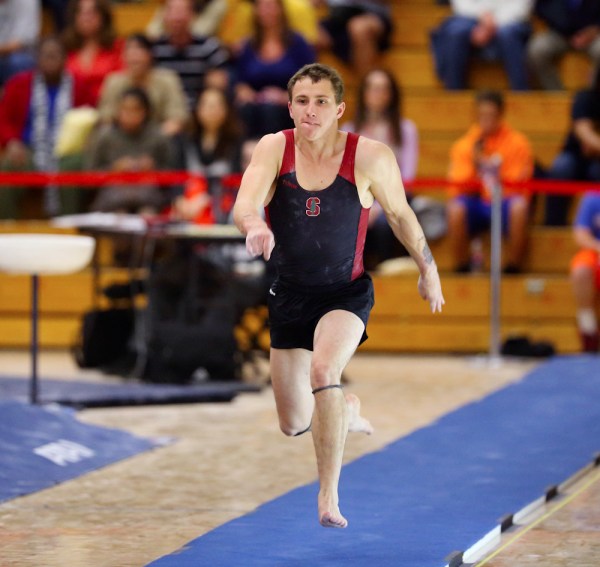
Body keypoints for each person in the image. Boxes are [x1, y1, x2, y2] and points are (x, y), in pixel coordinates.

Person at [232, 63, 444, 528]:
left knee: (325, 369)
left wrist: (428, 269)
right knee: (293, 423)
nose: (311, 111)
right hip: (288, 294)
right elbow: (244, 203)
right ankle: (345, 410)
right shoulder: (274, 148)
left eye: (321, 102)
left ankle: (328, 496)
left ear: (340, 109)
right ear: (289, 108)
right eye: (302, 102)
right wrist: (255, 225)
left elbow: (403, 216)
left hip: (344, 293)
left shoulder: (369, 156)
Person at [0, 36, 95, 219]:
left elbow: (92, 118)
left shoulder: (79, 86)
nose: (50, 60)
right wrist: (11, 141)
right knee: (9, 165)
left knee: (72, 167)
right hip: (29, 150)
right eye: (46, 56)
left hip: (67, 152)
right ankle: (7, 227)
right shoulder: (19, 84)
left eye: (55, 55)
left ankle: (69, 226)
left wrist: (86, 143)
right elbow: (3, 118)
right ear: (37, 59)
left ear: (65, 59)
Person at [446, 90, 534, 273]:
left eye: (491, 115)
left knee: (519, 207)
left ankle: (513, 267)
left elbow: (518, 183)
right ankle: (462, 266)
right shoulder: (464, 145)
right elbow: (457, 185)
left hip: (504, 201)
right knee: (455, 209)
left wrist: (492, 173)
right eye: (482, 115)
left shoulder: (518, 143)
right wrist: (475, 164)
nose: (486, 120)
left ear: (501, 115)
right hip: (475, 203)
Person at [343, 68, 420, 269]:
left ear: (392, 95)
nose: (378, 94)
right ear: (364, 93)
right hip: (357, 200)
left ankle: (387, 282)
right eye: (373, 88)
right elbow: (344, 178)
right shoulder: (348, 130)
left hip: (393, 200)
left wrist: (377, 208)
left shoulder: (406, 130)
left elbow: (408, 179)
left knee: (387, 225)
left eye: (384, 89)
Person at [234, 0, 316, 140]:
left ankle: (276, 155)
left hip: (288, 107)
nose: (268, 12)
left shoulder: (297, 43)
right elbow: (239, 81)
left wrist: (285, 97)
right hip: (255, 106)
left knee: (270, 111)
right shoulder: (249, 45)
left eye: (271, 7)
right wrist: (245, 92)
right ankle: (248, 155)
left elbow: (312, 81)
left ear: (281, 10)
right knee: (245, 110)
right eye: (263, 7)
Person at [86, 86, 174, 215]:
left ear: (145, 111)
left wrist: (153, 169)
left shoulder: (158, 137)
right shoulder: (105, 137)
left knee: (148, 215)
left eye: (135, 109)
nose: (130, 114)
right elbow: (88, 177)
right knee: (118, 218)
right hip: (112, 201)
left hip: (148, 200)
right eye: (125, 109)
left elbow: (173, 176)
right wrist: (114, 169)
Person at [173, 86, 243, 223]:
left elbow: (235, 180)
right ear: (197, 109)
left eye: (217, 106)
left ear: (226, 110)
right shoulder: (185, 140)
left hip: (223, 206)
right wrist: (179, 200)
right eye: (207, 105)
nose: (212, 111)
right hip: (188, 203)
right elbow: (176, 175)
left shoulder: (235, 141)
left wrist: (206, 199)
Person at [98, 33, 189, 138]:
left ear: (150, 54)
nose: (134, 56)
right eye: (129, 51)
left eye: (139, 51)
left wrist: (151, 142)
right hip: (122, 140)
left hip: (160, 139)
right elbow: (106, 119)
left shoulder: (168, 80)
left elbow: (177, 118)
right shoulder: (114, 81)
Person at [430, 0, 534, 91]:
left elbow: (522, 6)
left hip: (510, 19)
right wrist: (482, 16)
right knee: (456, 32)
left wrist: (493, 23)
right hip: (471, 16)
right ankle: (454, 92)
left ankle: (521, 92)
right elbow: (462, 3)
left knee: (507, 34)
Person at [543, 68, 600, 226]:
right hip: (575, 156)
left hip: (597, 161)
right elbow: (583, 131)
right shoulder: (585, 97)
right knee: (561, 167)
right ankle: (553, 223)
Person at [151, 0, 231, 109]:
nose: (177, 17)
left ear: (193, 15)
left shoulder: (209, 47)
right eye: (172, 11)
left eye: (181, 11)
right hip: (165, 110)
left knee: (214, 97)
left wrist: (213, 84)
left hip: (198, 109)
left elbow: (221, 79)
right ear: (164, 16)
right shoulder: (154, 49)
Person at [62, 0, 124, 106]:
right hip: (69, 108)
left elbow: (123, 82)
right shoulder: (64, 47)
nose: (86, 18)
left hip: (110, 109)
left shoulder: (118, 47)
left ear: (104, 17)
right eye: (81, 12)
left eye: (92, 12)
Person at [528, 0, 600, 91]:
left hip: (593, 34)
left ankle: (593, 97)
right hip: (560, 33)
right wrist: (563, 28)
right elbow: (540, 9)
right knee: (537, 49)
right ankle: (556, 95)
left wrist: (595, 30)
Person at [314, 0, 392, 78]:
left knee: (359, 27)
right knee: (308, 31)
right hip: (338, 17)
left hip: (370, 15)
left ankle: (367, 85)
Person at [570, 191, 600, 353]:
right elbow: (580, 235)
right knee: (581, 269)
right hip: (596, 250)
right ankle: (588, 330)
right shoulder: (592, 197)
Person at [0, 0, 39, 87]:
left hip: (19, 54)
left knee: (19, 61)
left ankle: (16, 97)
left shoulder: (27, 2)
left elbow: (20, 43)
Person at [145, 0, 228, 41]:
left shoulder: (218, 3)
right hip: (169, 51)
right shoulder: (176, 2)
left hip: (200, 56)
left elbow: (198, 33)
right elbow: (151, 32)